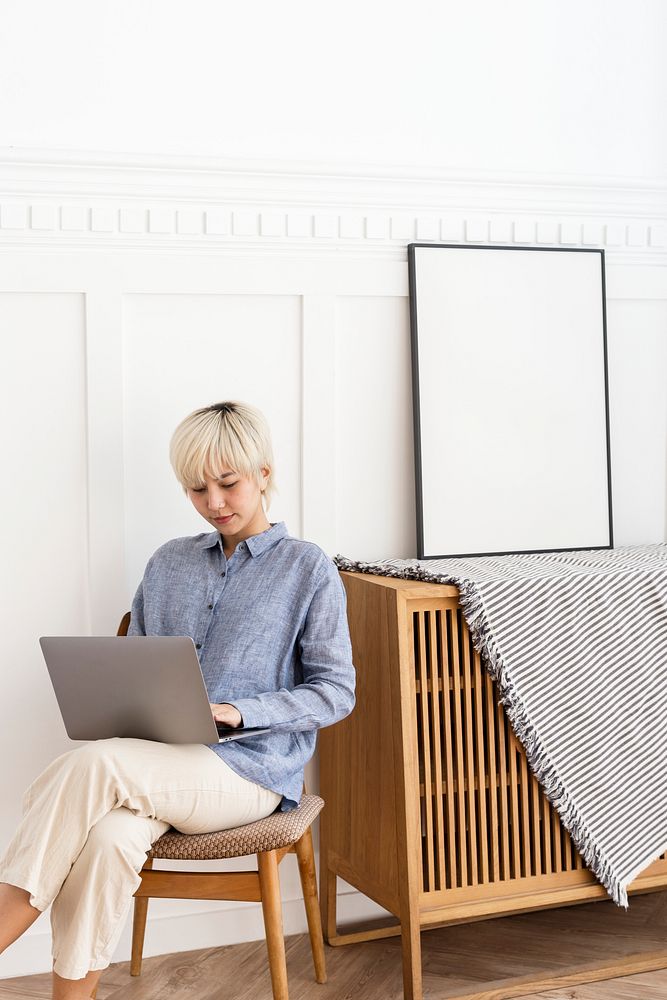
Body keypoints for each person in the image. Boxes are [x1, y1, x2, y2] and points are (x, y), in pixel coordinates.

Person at [0, 400, 355, 1000]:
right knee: (110, 838)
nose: (215, 502)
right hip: (159, 762)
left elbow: (336, 690)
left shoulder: (307, 568)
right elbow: (134, 665)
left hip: (248, 771)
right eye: (197, 488)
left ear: (265, 474)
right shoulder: (168, 562)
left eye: (228, 483)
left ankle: (5, 919)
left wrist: (240, 711)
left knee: (96, 764)